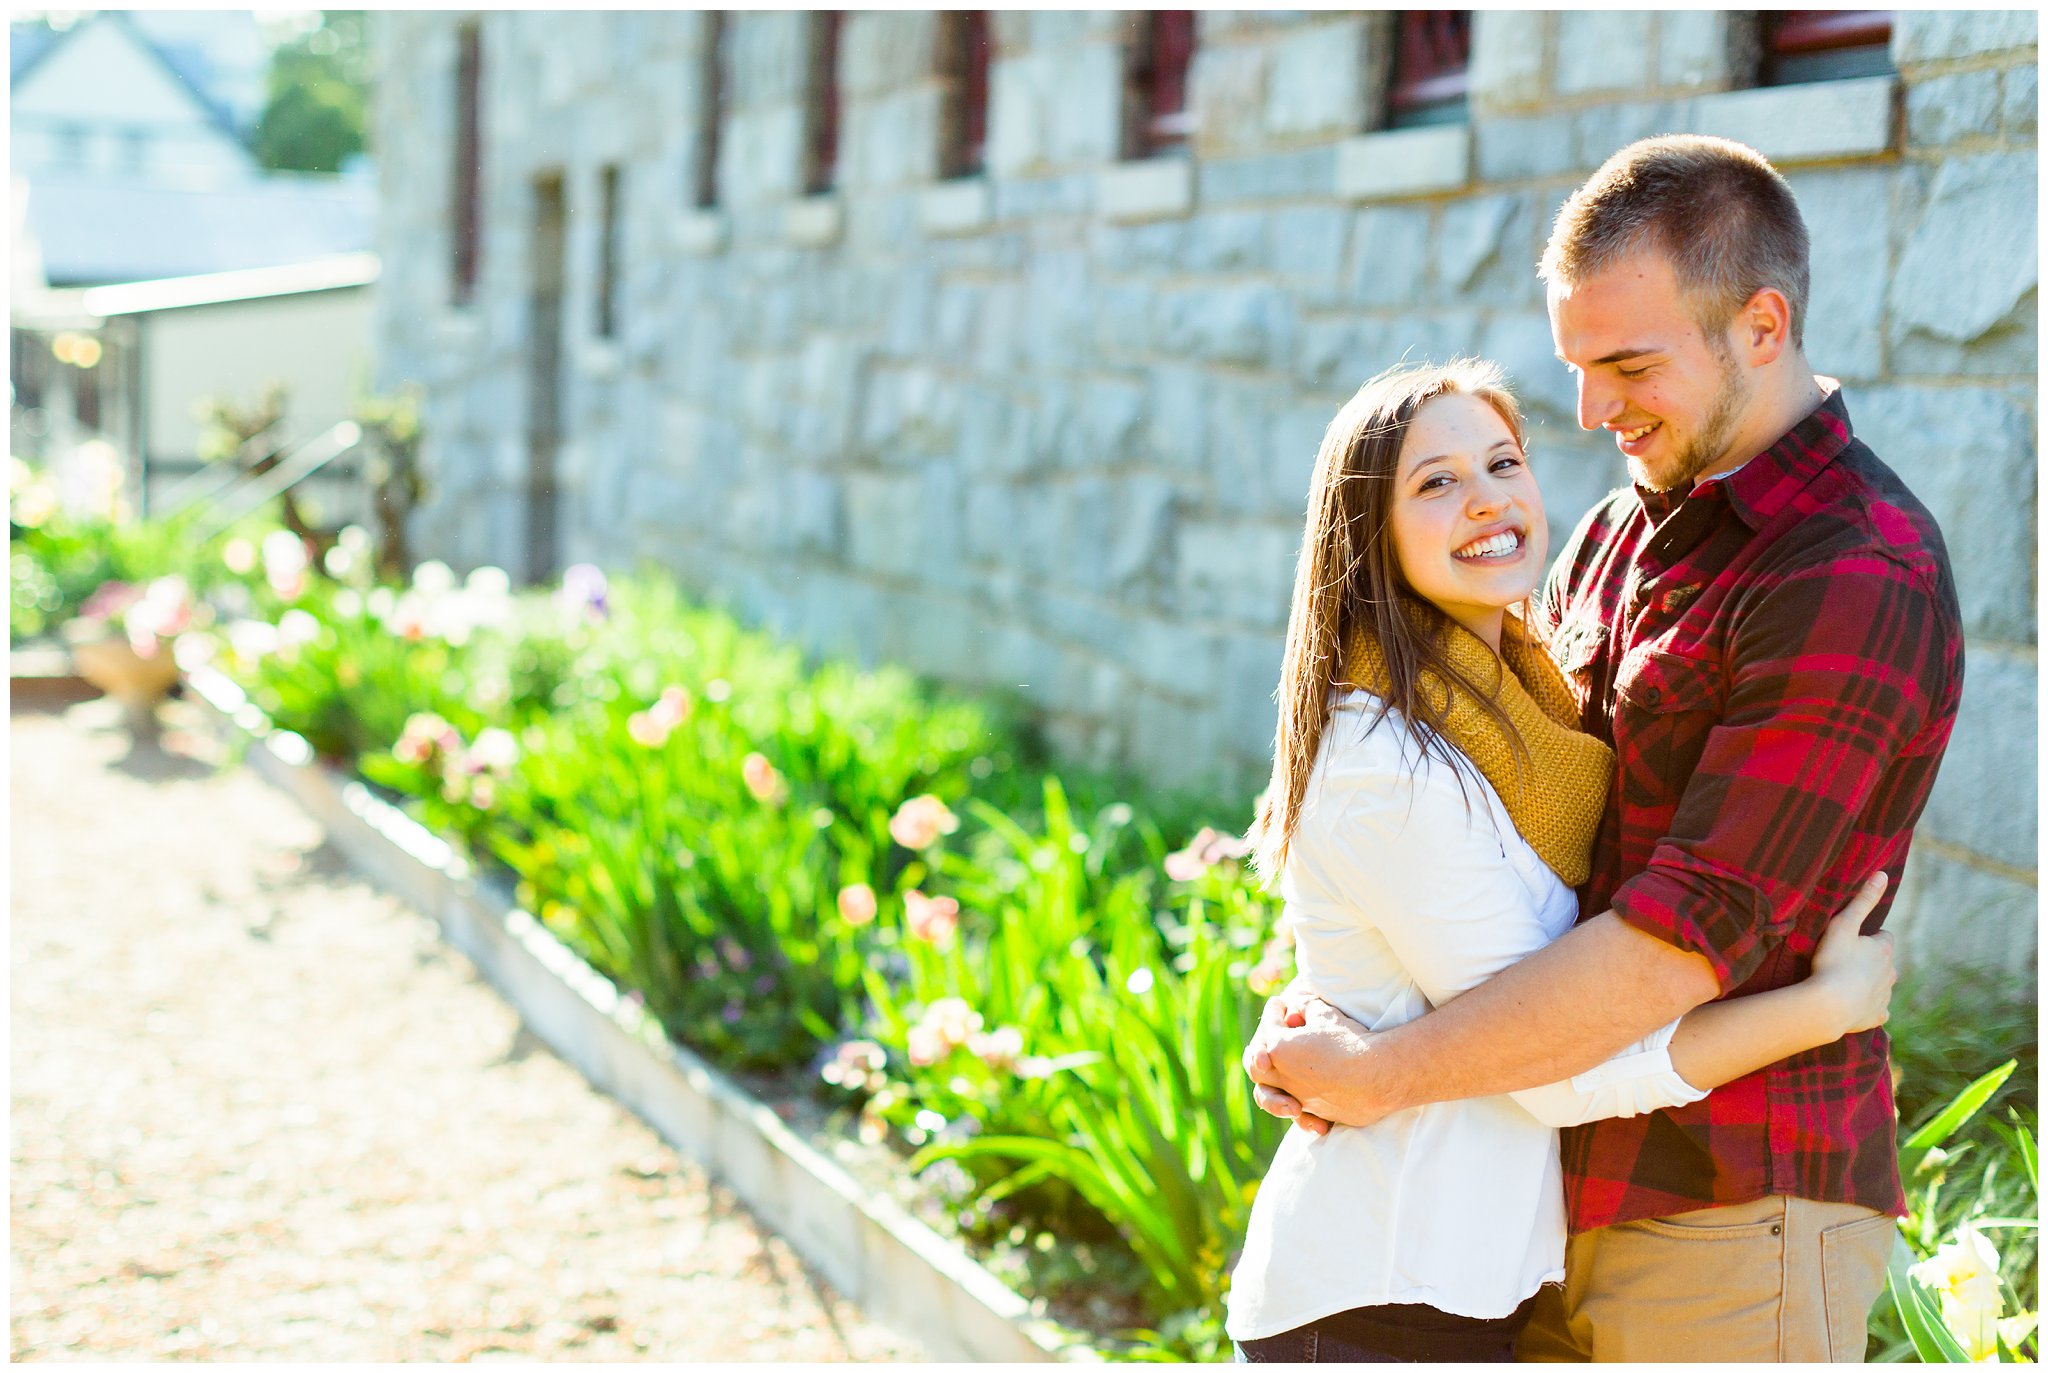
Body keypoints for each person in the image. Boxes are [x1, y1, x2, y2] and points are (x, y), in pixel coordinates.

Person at [1244, 135, 1964, 1362]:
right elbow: (1481, 845)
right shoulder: (1614, 538)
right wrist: (1347, 979)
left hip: (1731, 1200)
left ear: (1759, 325)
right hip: (1532, 1203)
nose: (1588, 410)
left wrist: (1381, 1070)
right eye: (1575, 367)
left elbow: (1672, 946)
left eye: (1627, 363)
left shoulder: (1849, 569)